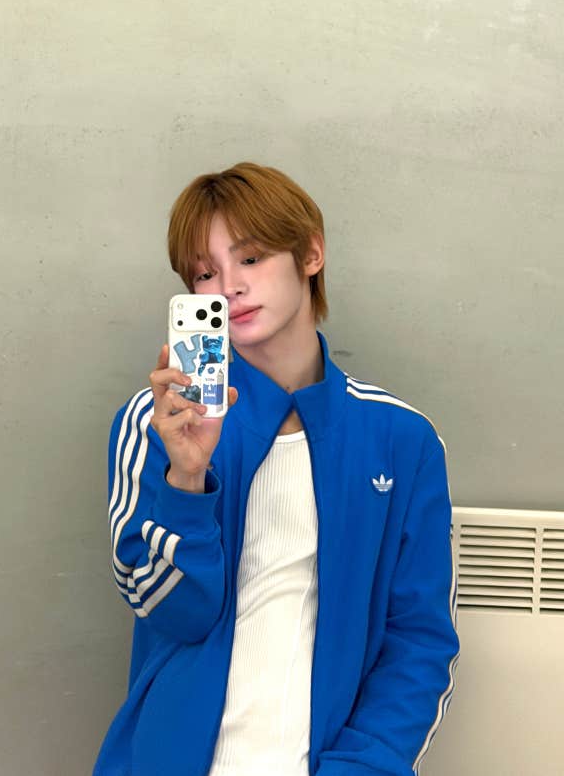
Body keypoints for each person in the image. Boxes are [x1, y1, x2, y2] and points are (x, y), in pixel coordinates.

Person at [93, 162, 459, 776]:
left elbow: (419, 642)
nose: (229, 287)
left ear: (310, 254)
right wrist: (187, 480)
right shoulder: (155, 424)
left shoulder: (401, 440)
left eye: (251, 258)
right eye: (205, 272)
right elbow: (173, 613)